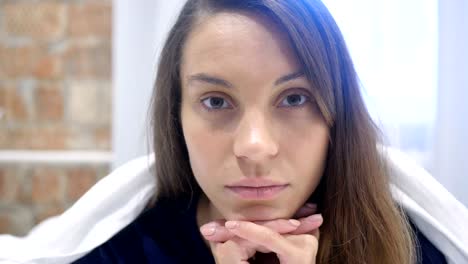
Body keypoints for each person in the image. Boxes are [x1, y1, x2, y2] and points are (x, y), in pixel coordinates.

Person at [73, 0, 447, 263]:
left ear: (339, 116)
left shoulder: (410, 249)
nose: (254, 146)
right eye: (216, 102)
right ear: (176, 118)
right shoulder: (120, 252)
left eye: (295, 98)